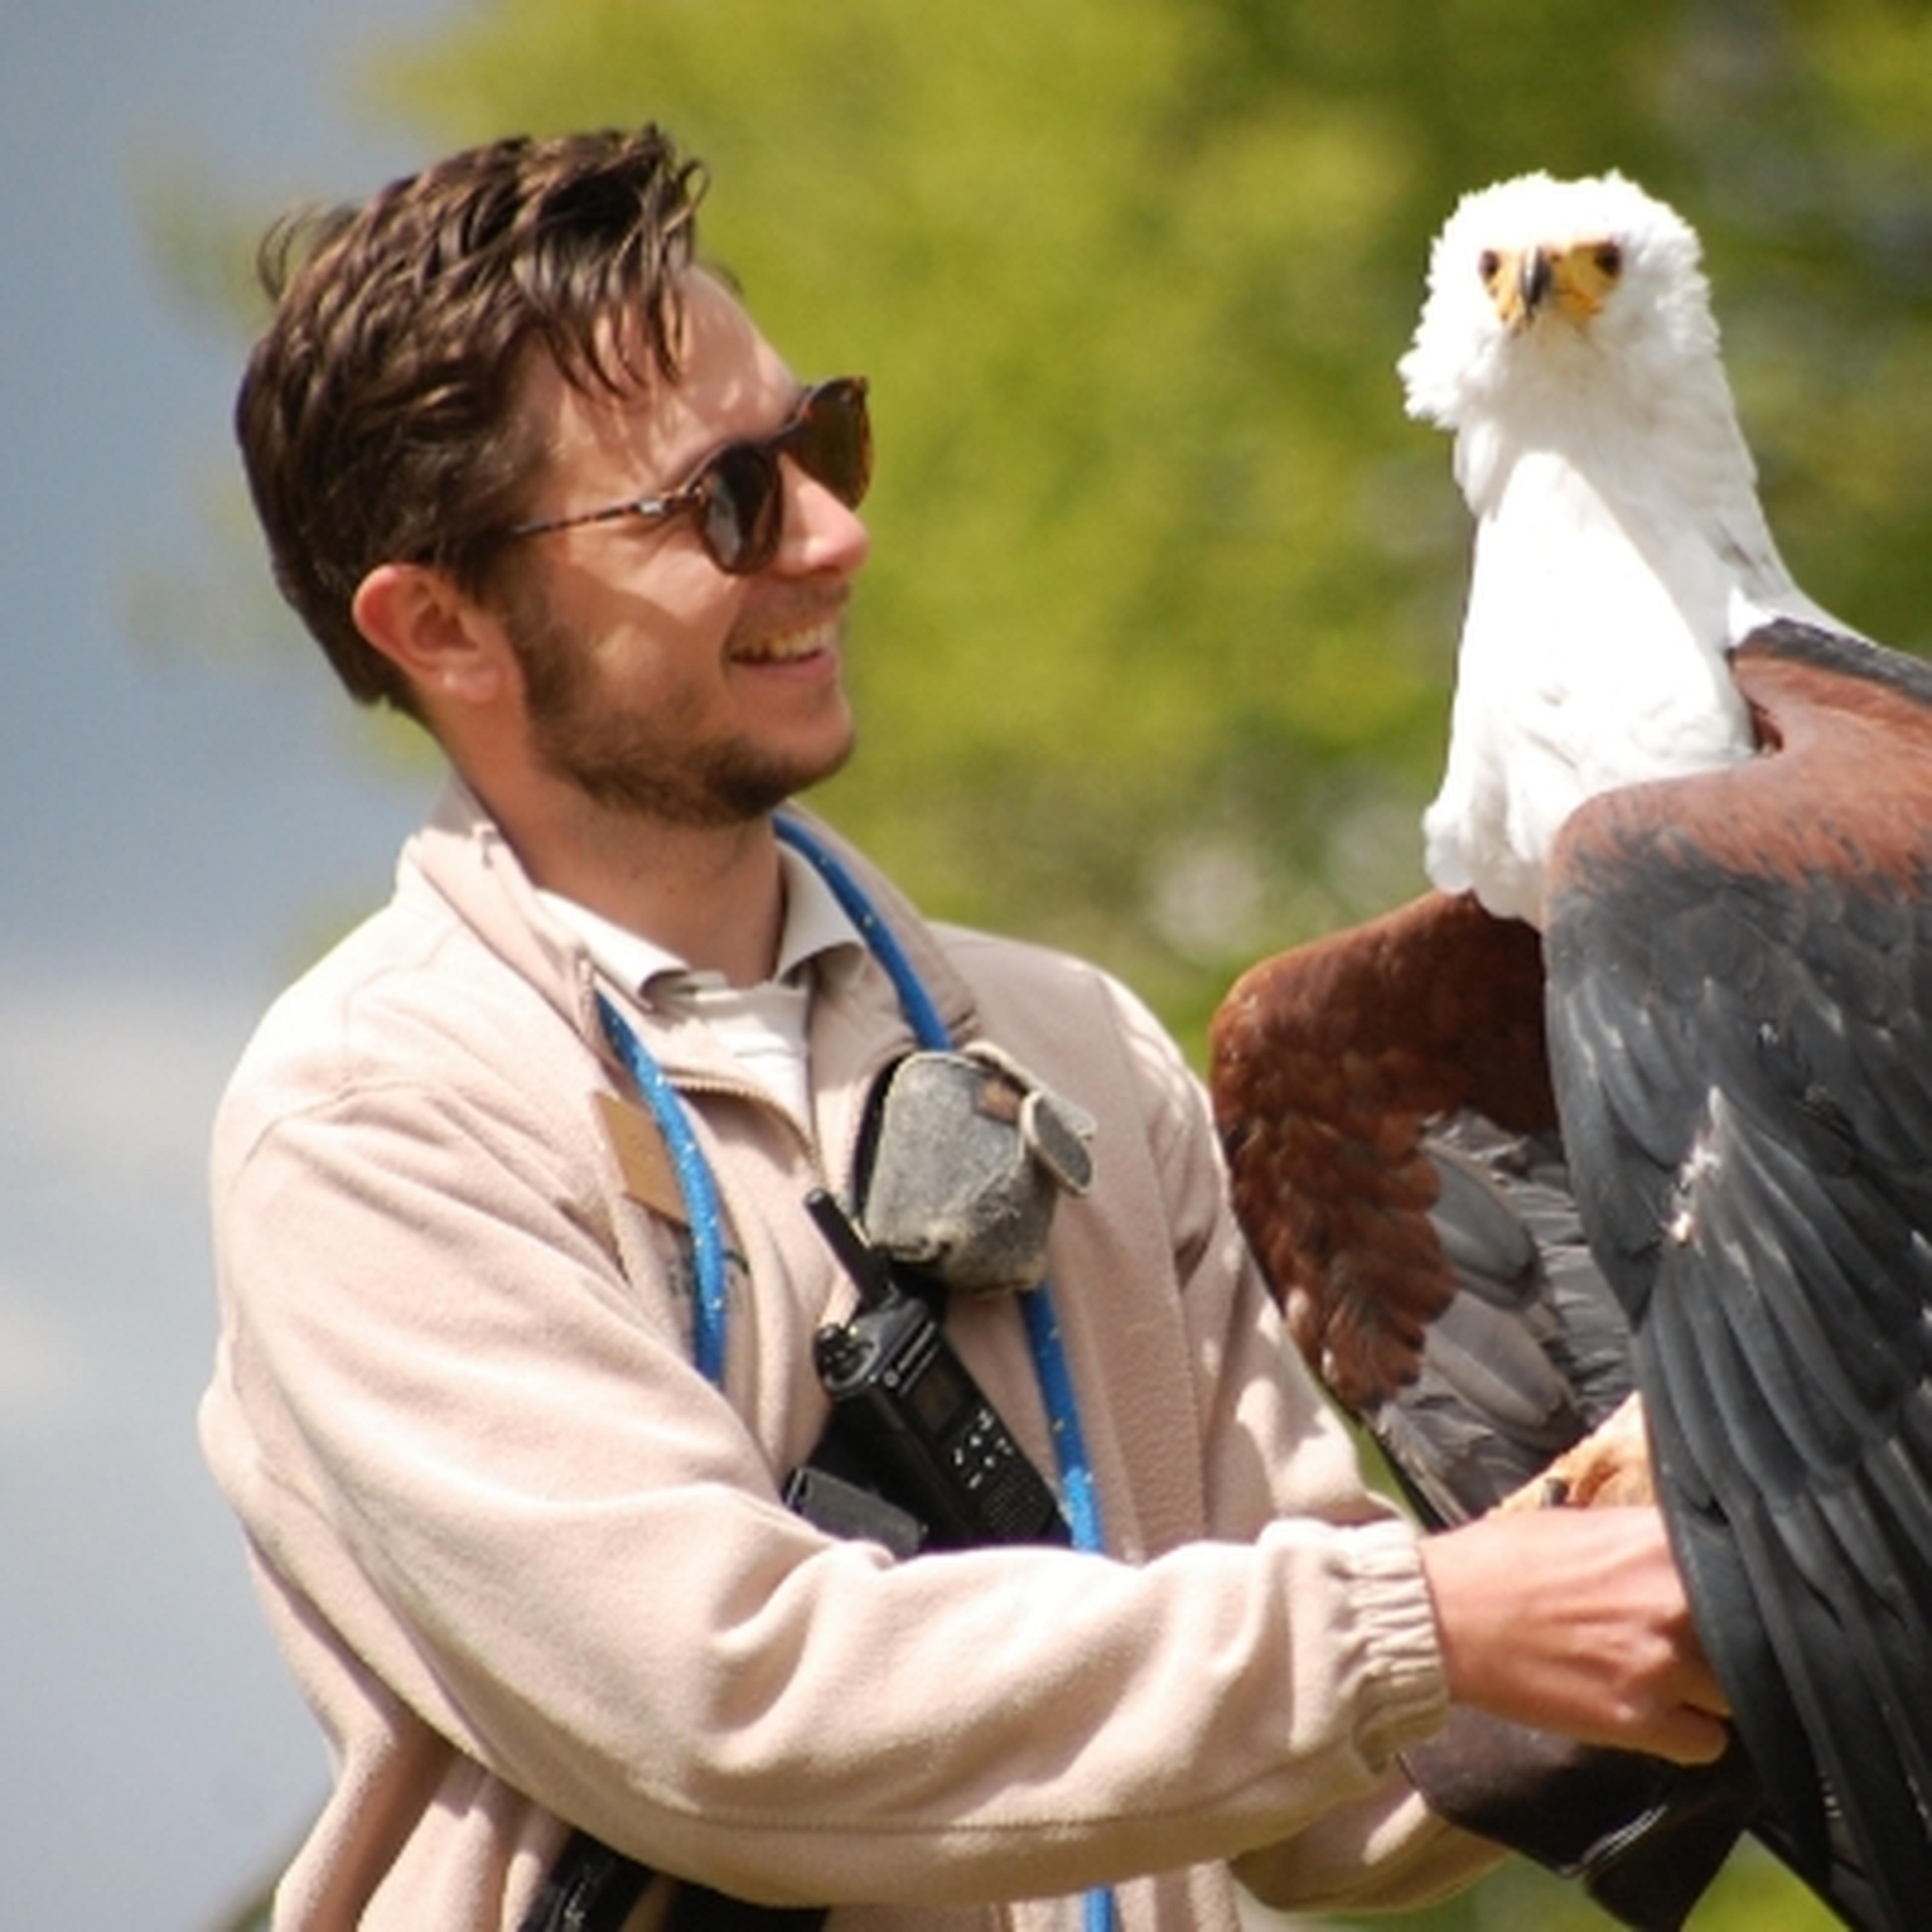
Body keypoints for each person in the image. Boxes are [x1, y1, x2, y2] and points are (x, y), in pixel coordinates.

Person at [201, 125, 1730, 1932]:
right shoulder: (378, 1120)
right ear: (441, 624)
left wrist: (1750, 1536)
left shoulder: (1071, 1048)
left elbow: (1332, 1776)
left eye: (822, 441)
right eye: (724, 501)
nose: (834, 533)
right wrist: (1427, 1623)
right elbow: (728, 1709)